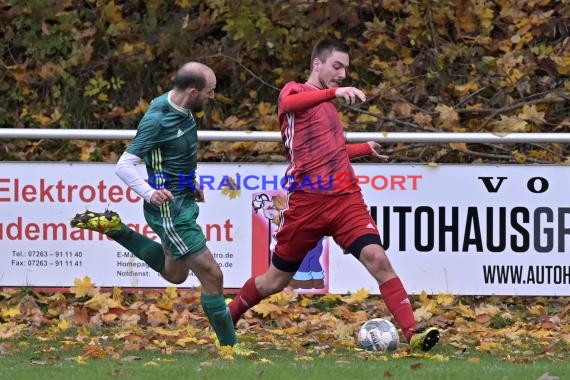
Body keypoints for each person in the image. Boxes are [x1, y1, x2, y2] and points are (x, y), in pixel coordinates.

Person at [228, 38, 440, 351]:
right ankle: (227, 315)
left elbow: (332, 151)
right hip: (308, 204)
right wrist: (333, 93)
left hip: (345, 200)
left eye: (345, 69)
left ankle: (413, 333)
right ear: (317, 64)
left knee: (377, 258)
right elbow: (288, 106)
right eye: (336, 67)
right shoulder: (295, 91)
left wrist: (364, 149)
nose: (341, 74)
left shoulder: (328, 108)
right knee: (274, 281)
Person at [70, 62, 245, 351]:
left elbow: (179, 154)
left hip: (184, 200)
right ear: (192, 91)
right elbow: (124, 166)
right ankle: (230, 348)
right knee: (212, 274)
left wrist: (191, 183)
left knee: (175, 274)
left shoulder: (183, 107)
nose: (213, 97)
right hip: (170, 211)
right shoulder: (157, 118)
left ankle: (117, 230)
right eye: (210, 92)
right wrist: (150, 193)